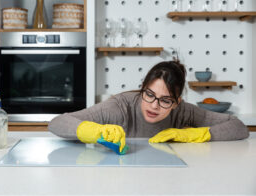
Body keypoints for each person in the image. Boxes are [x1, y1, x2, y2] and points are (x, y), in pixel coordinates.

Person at [48, 60, 249, 153]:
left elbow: (238, 127)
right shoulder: (120, 107)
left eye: (165, 100)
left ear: (176, 102)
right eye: (149, 94)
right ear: (142, 89)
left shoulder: (183, 110)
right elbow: (57, 123)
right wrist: (95, 130)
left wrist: (192, 135)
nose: (154, 105)